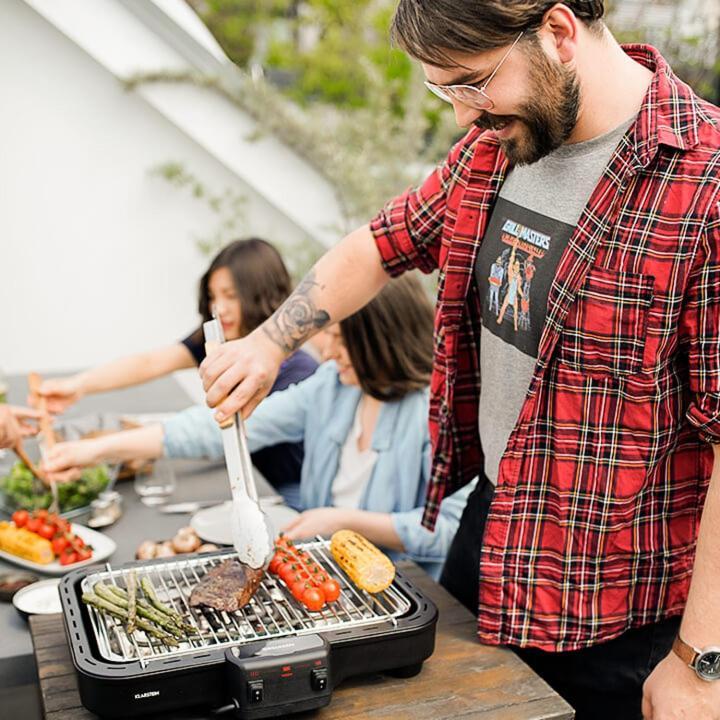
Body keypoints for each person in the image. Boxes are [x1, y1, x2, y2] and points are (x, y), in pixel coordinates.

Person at [193, 3, 720, 719]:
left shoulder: (706, 183)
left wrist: (700, 663)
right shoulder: (494, 148)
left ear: (559, 32)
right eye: (447, 91)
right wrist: (268, 342)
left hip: (622, 604)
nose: (466, 113)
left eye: (473, 83)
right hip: (491, 533)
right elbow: (381, 244)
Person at [43, 276, 473, 576]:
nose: (328, 351)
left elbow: (449, 532)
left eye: (343, 341)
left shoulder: (445, 412)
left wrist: (341, 521)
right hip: (321, 568)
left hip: (399, 586)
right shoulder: (329, 385)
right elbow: (223, 426)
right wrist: (92, 451)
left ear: (385, 341)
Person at [36, 238, 318, 497]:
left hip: (283, 491)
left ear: (261, 293)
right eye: (212, 295)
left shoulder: (298, 372)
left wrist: (94, 450)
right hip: (240, 481)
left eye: (230, 295)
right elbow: (151, 362)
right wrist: (78, 386)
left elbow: (212, 429)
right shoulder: (221, 340)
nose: (219, 307)